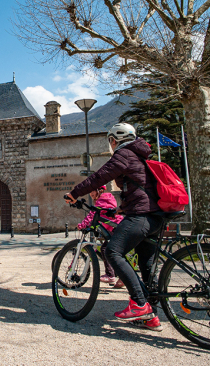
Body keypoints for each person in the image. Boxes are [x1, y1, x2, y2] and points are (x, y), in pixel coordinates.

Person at [64, 123, 164, 332]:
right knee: (146, 265)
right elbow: (140, 189)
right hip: (155, 216)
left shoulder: (124, 154)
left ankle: (138, 303)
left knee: (112, 251)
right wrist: (121, 210)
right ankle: (150, 315)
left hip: (141, 215)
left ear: (114, 140)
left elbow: (100, 176)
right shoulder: (139, 155)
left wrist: (75, 192)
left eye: (110, 140)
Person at [76, 185, 123, 284]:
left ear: (99, 190)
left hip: (115, 228)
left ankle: (110, 275)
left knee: (105, 249)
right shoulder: (105, 198)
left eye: (92, 191)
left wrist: (83, 224)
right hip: (114, 228)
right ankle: (122, 277)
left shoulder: (103, 199)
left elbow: (93, 214)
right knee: (110, 250)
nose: (91, 194)